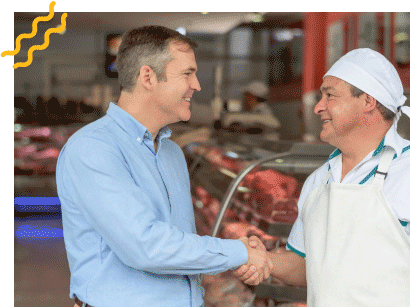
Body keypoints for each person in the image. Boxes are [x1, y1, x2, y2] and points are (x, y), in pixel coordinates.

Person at [234, 48, 410, 306]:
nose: (318, 107)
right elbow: (307, 265)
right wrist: (263, 259)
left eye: (330, 95)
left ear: (367, 101)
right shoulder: (319, 181)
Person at [56, 25, 272, 307]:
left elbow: (177, 245)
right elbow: (147, 247)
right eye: (187, 73)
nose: (197, 85)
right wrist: (240, 253)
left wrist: (237, 260)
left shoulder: (171, 152)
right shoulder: (94, 148)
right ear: (148, 76)